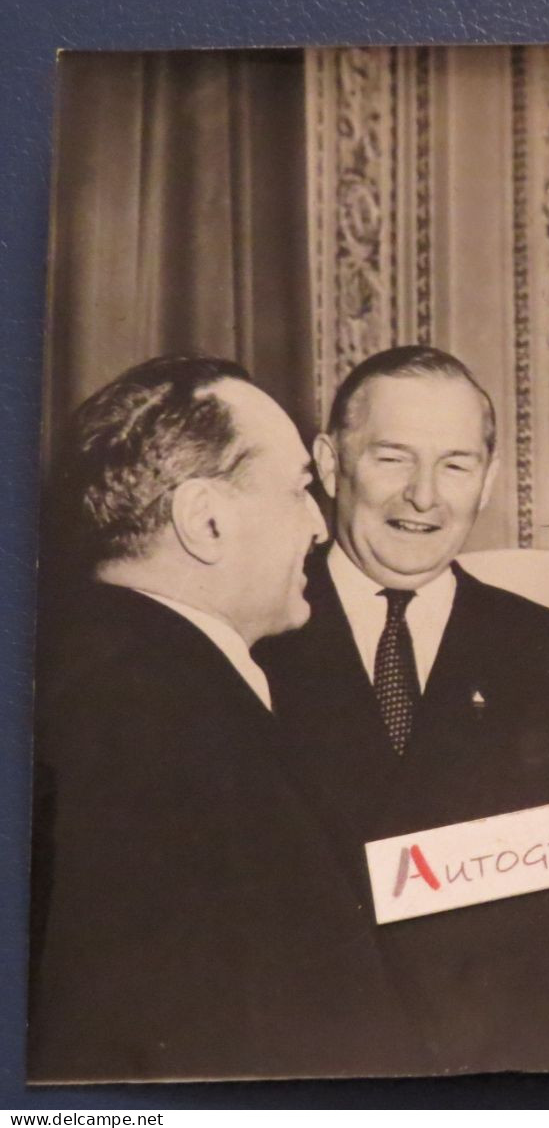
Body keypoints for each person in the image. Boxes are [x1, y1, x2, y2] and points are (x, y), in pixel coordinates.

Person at [29, 356, 427, 1081]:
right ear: (205, 520)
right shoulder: (157, 718)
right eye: (301, 490)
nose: (319, 523)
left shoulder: (102, 682)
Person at [254, 345, 549, 1070]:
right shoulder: (249, 629)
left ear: (488, 480)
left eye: (455, 465)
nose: (424, 496)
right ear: (331, 463)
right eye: (393, 458)